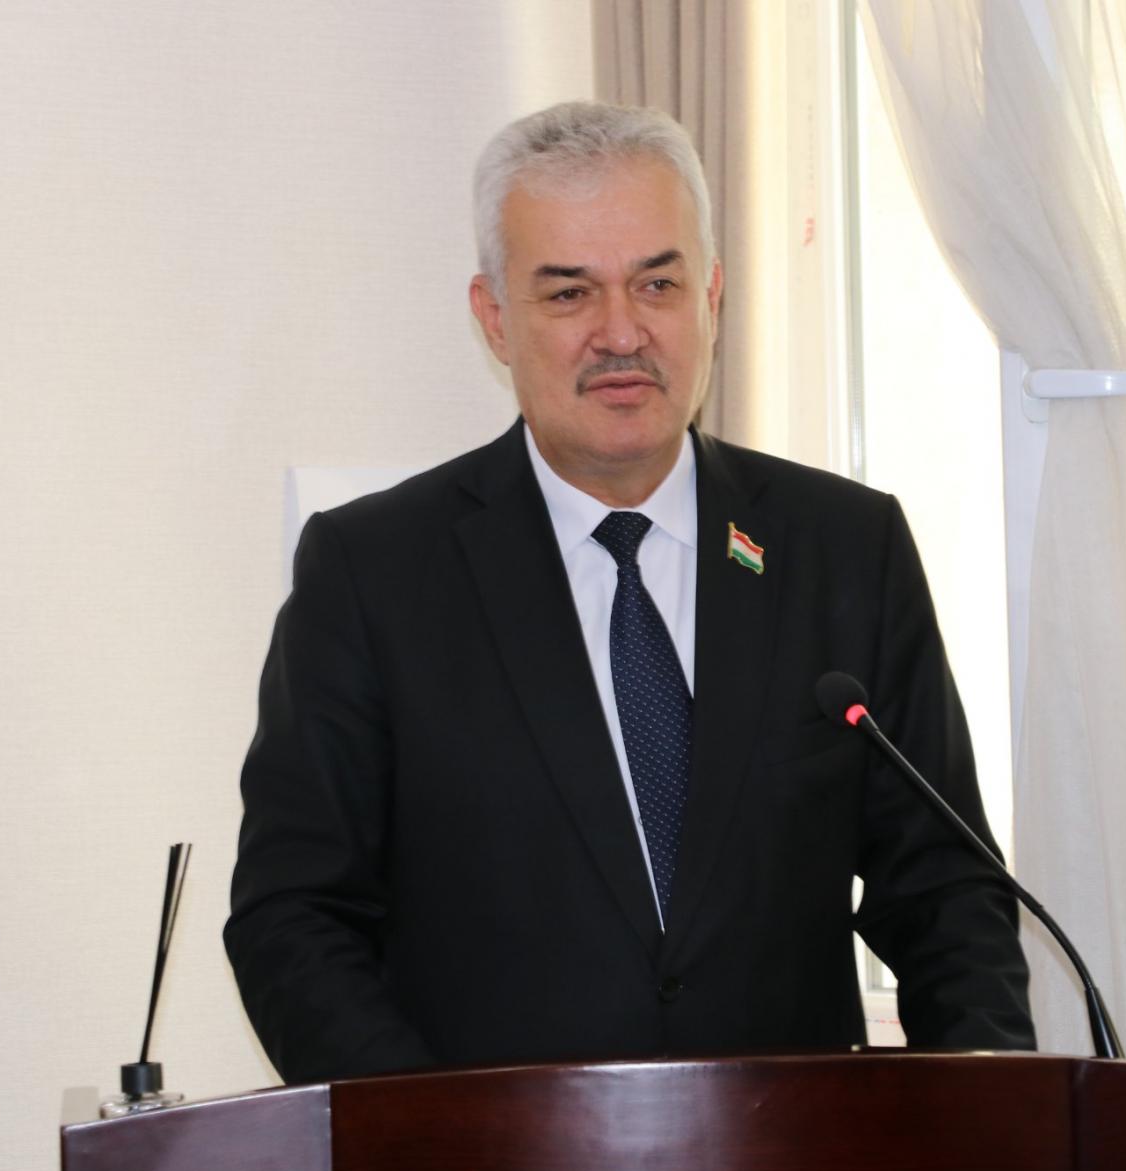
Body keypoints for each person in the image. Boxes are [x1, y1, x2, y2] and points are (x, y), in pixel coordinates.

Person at [226, 100, 1034, 1086]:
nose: (621, 333)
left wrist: (990, 1120)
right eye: (569, 294)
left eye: (657, 284)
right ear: (494, 316)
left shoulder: (843, 547)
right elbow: (293, 918)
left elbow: (947, 890)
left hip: (794, 1147)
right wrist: (430, 1141)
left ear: (712, 295)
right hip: (485, 1154)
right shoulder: (373, 573)